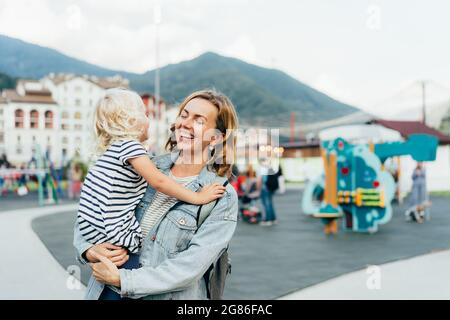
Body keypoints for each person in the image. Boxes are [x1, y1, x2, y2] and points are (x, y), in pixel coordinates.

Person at [73, 89, 239, 300]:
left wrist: (123, 280)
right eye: (184, 114)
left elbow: (189, 268)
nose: (185, 123)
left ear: (216, 138)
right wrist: (89, 250)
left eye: (199, 120)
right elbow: (91, 209)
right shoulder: (142, 167)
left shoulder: (222, 197)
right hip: (106, 293)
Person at [259, 158, 279, 226]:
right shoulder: (270, 168)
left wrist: (258, 189)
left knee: (266, 204)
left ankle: (268, 219)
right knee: (270, 204)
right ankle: (273, 219)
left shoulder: (263, 169)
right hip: (271, 188)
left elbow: (261, 180)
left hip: (265, 189)